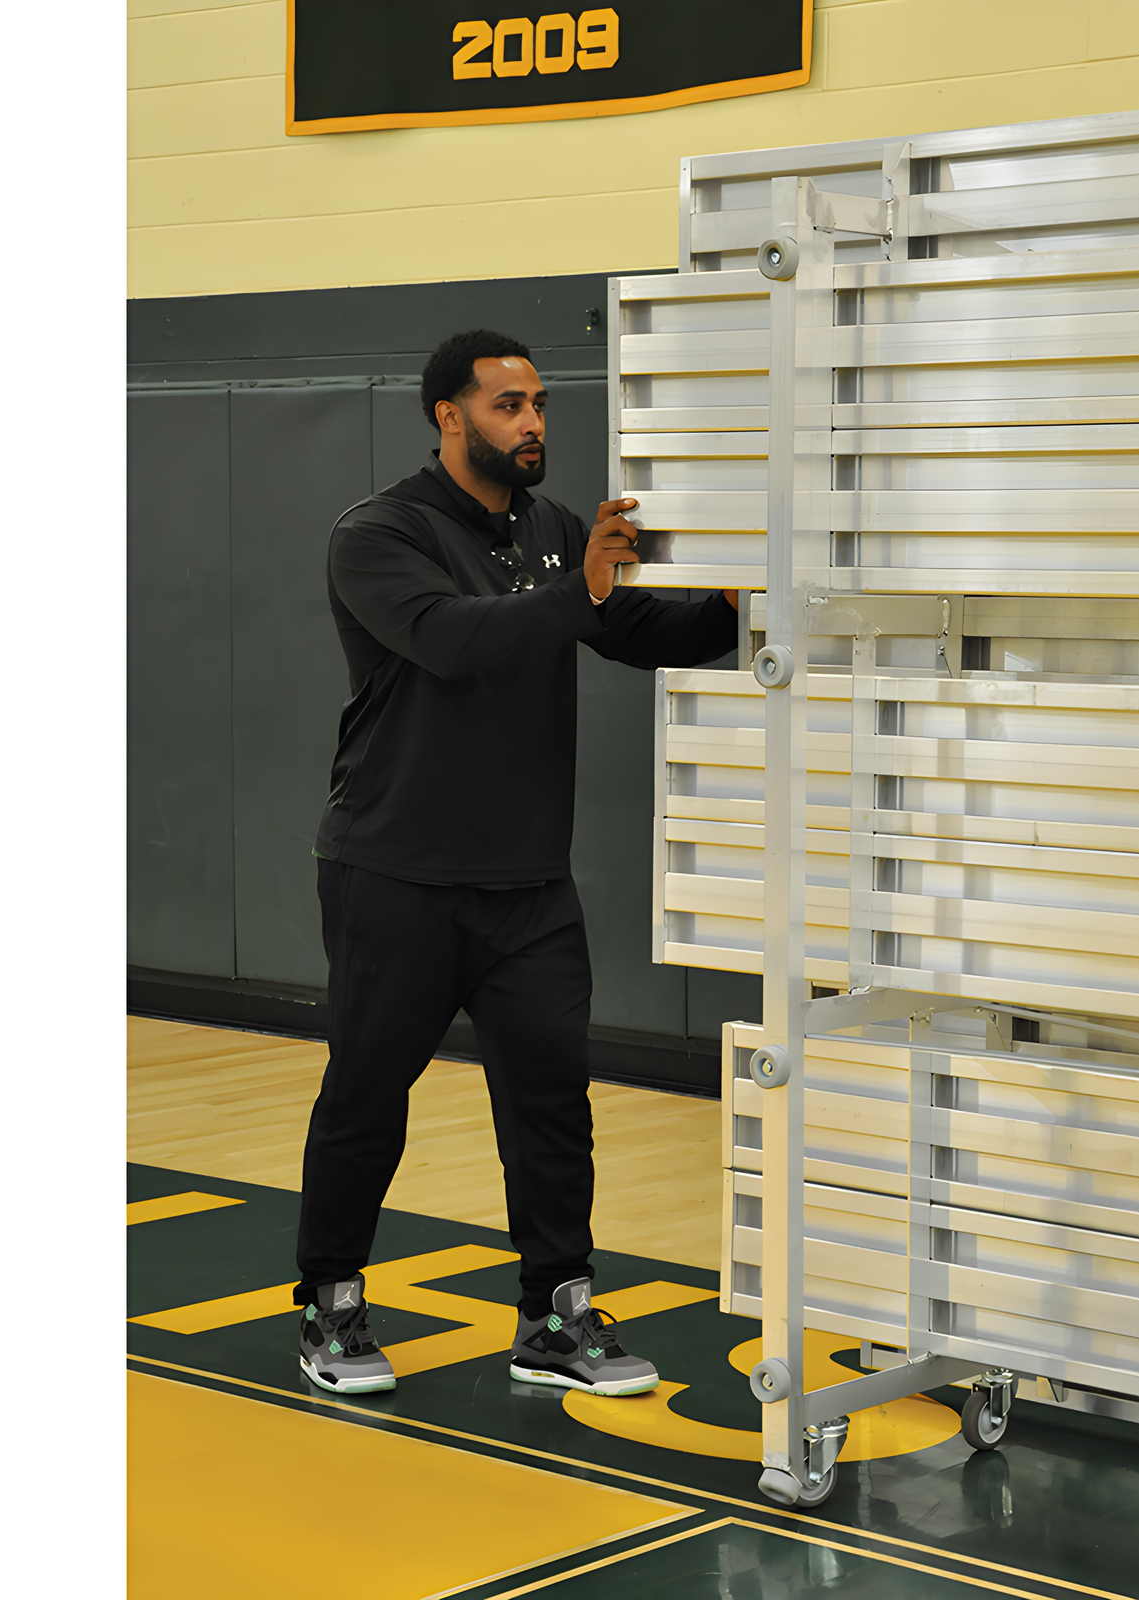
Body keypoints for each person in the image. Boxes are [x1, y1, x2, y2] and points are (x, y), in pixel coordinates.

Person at [293, 328, 738, 1397]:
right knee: (367, 1093)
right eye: (507, 405)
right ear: (449, 416)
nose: (533, 422)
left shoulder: (548, 529)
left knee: (549, 1101)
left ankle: (554, 1312)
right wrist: (578, 592)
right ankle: (331, 1299)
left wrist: (737, 603)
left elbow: (637, 628)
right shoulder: (378, 533)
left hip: (529, 885)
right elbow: (453, 641)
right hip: (393, 873)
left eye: (539, 404)